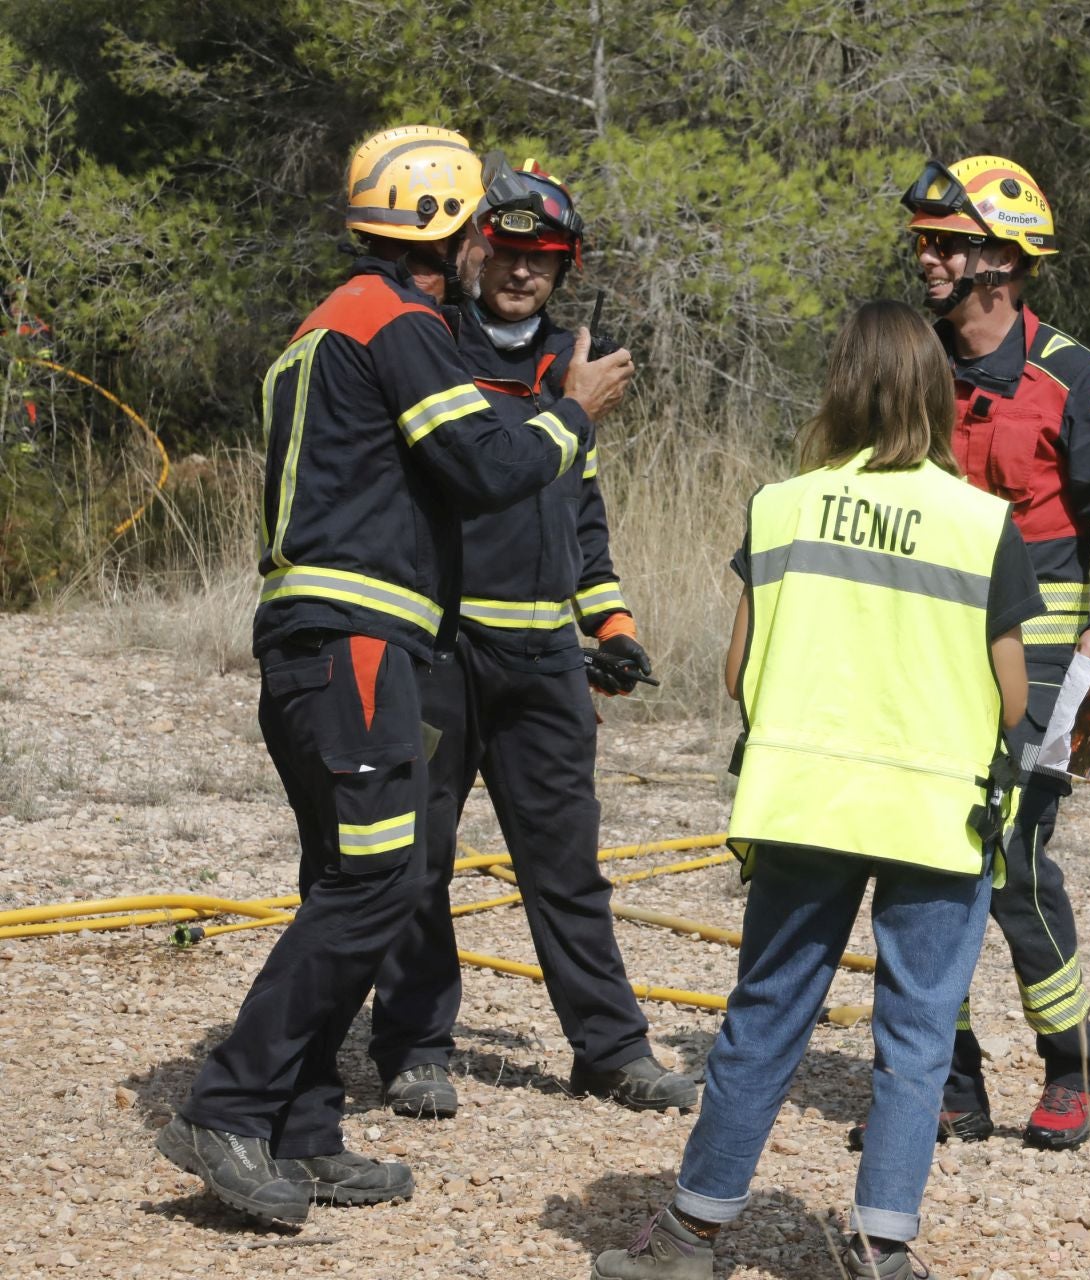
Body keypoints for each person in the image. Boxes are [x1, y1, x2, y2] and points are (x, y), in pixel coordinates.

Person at [155, 126, 634, 1227]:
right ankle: (229, 1103)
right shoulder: (401, 322)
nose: (492, 252)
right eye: (480, 230)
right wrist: (573, 411)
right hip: (356, 641)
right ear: (450, 234)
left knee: (349, 878)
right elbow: (490, 464)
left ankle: (307, 1129)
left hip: (318, 639)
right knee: (378, 880)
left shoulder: (325, 323)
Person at [591, 299, 1041, 1280]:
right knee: (918, 1029)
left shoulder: (782, 505)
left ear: (839, 386)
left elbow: (737, 670)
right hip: (936, 813)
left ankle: (689, 1238)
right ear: (935, 393)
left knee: (765, 1013)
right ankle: (882, 1246)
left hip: (805, 803)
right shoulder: (982, 525)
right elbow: (1013, 695)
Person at [367, 158, 695, 1120]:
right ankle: (416, 1046)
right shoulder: (429, 347)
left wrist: (614, 622)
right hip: (438, 651)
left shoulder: (571, 366)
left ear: (566, 269)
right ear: (474, 247)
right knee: (416, 860)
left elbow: (578, 511)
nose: (522, 274)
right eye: (508, 252)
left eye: (543, 260)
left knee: (566, 865)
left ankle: (612, 1051)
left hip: (545, 661)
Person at [868, 154, 1090, 1152]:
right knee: (911, 853)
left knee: (1011, 853)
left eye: (949, 242)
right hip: (925, 648)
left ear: (1003, 259)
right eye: (926, 242)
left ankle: (1073, 1055)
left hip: (1043, 656)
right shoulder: (913, 367)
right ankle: (946, 1078)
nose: (930, 258)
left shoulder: (1076, 378)